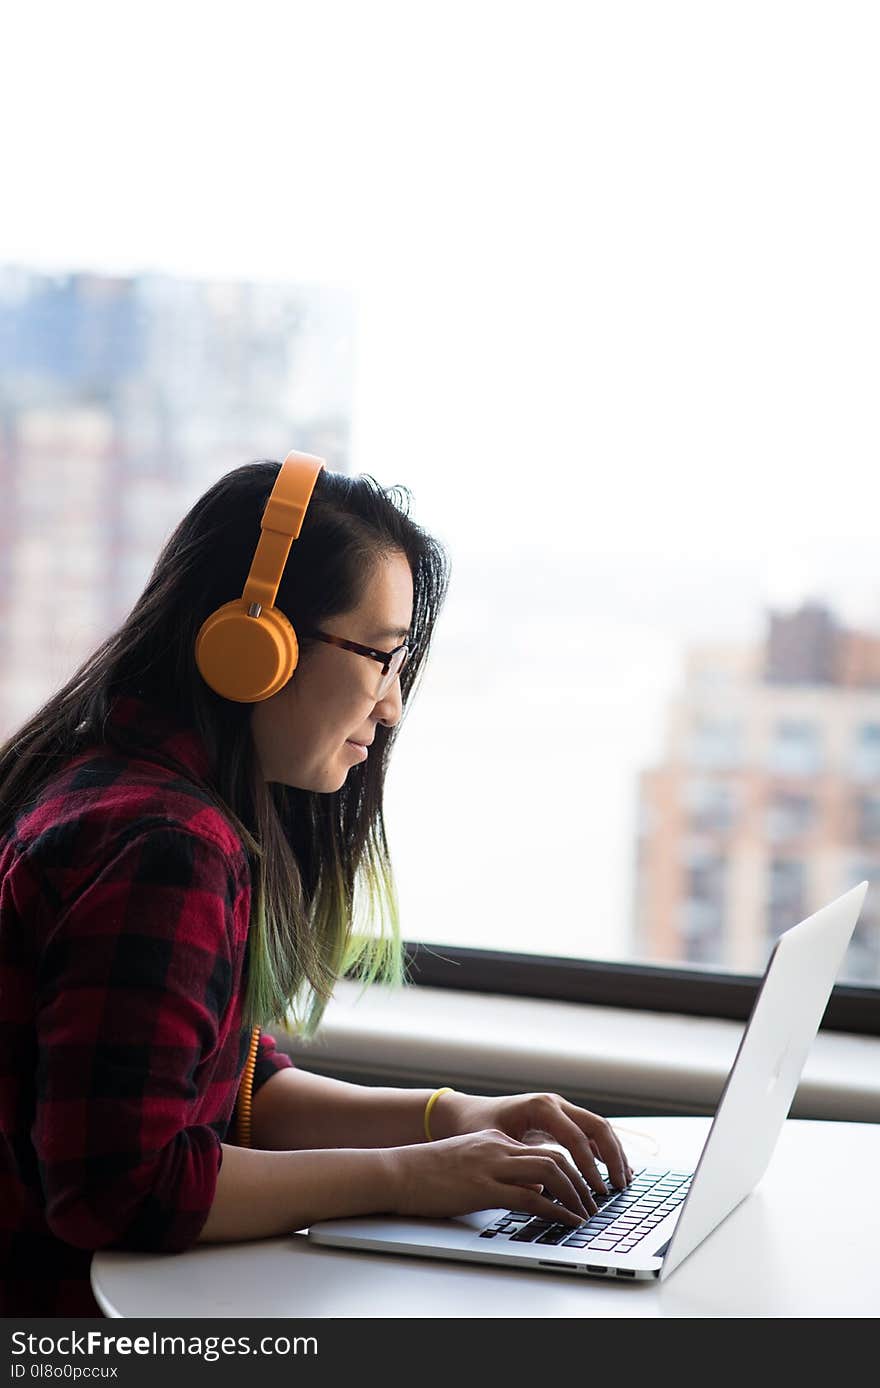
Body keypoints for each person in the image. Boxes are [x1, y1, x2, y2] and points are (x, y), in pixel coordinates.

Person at [0, 452, 633, 1316]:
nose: (392, 706)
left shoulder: (112, 779)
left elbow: (225, 1088)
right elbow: (125, 1185)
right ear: (253, 642)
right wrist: (408, 1179)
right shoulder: (164, 846)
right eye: (379, 657)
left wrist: (454, 1120)